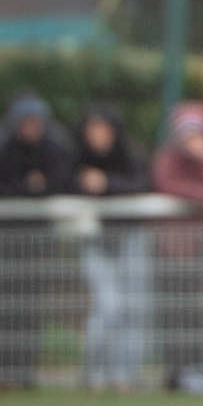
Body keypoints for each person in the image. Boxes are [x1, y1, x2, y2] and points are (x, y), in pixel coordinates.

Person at [0, 94, 78, 388]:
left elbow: (64, 182)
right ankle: (3, 369)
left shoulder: (55, 148)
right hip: (3, 241)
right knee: (1, 306)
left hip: (38, 241)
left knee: (31, 306)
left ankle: (26, 368)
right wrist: (23, 187)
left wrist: (43, 186)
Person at [150, 100, 203, 394]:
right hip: (170, 248)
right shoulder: (167, 159)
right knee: (173, 312)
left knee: (200, 312)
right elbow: (165, 183)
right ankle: (175, 371)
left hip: (202, 246)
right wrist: (201, 195)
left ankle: (198, 366)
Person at [74, 106, 151, 390]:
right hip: (96, 241)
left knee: (134, 307)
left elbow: (143, 184)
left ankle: (126, 373)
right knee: (110, 306)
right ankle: (95, 370)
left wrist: (107, 184)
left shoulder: (132, 156)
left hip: (130, 237)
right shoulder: (76, 159)